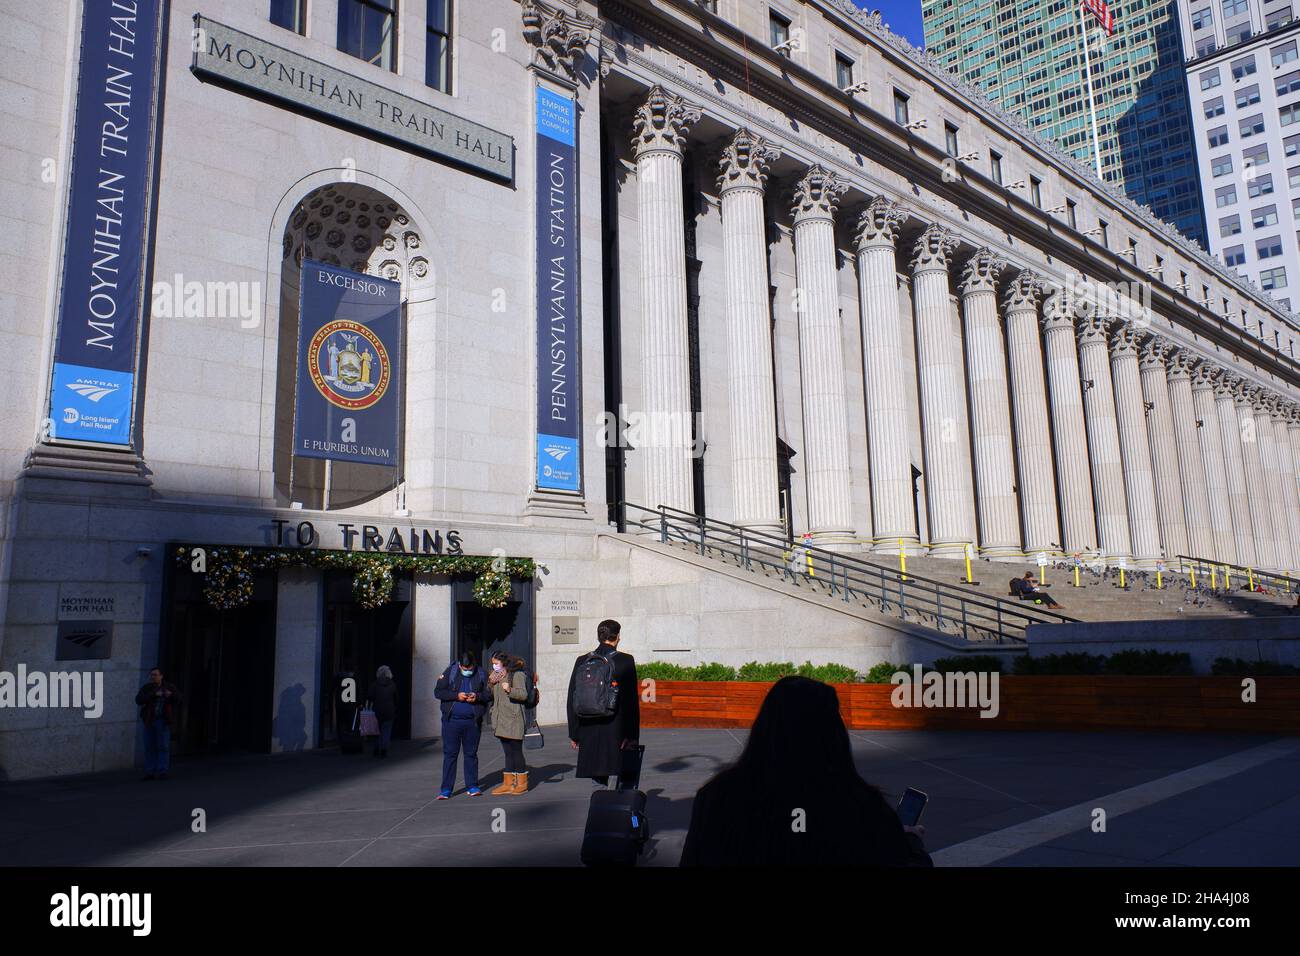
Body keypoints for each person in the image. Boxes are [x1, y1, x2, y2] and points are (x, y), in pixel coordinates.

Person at [679, 676, 932, 866]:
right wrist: (910, 842)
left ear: (764, 728)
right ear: (833, 735)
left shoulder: (717, 798)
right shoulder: (861, 807)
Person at [567, 619, 640, 788]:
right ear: (617, 636)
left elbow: (572, 697)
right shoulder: (625, 660)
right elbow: (630, 702)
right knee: (620, 778)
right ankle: (615, 811)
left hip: (588, 727)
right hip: (615, 727)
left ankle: (598, 811)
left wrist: (574, 733)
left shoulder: (582, 660)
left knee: (597, 781)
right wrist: (632, 735)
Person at [433, 652, 489, 798]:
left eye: (469, 667)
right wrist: (455, 695)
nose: (467, 670)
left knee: (471, 754)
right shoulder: (450, 672)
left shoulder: (482, 674)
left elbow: (489, 694)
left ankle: (472, 786)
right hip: (451, 721)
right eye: (464, 668)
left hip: (472, 722)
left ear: (474, 665)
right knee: (450, 755)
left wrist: (477, 697)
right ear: (459, 665)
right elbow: (438, 692)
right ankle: (446, 789)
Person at [488, 652, 532, 795]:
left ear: (504, 662)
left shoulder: (516, 675)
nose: (494, 666)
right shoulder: (495, 677)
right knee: (507, 752)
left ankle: (521, 783)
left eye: (496, 663)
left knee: (516, 751)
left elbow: (523, 694)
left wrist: (509, 690)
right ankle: (508, 783)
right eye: (493, 663)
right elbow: (493, 696)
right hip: (501, 719)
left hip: (514, 719)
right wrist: (491, 683)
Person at [135, 667, 181, 781]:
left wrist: (170, 695)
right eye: (151, 675)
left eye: (155, 675)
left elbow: (179, 698)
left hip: (162, 720)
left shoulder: (169, 687)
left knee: (163, 746)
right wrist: (154, 694)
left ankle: (162, 770)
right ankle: (150, 771)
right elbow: (138, 700)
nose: (152, 677)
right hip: (149, 720)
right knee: (149, 746)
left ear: (161, 676)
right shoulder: (147, 687)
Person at [367, 664, 399, 758]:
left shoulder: (374, 684)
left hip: (376, 710)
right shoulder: (392, 684)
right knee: (386, 731)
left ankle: (376, 749)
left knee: (376, 731)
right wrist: (395, 708)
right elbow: (396, 698)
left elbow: (370, 697)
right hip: (389, 711)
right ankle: (384, 749)